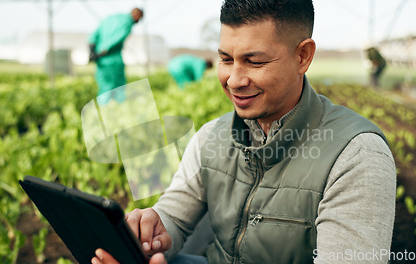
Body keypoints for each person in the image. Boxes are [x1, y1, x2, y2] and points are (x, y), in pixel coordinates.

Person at [92, 0, 396, 264]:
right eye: (226, 59)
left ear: (303, 56)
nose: (234, 80)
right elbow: (175, 215)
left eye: (255, 62)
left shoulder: (356, 155)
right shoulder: (212, 136)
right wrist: (155, 232)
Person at [89, 8, 143, 104]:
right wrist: (101, 53)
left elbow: (94, 35)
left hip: (101, 61)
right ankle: (119, 112)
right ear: (137, 16)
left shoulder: (109, 18)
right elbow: (116, 41)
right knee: (118, 89)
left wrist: (92, 51)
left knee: (103, 87)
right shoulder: (127, 24)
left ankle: (103, 111)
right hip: (113, 60)